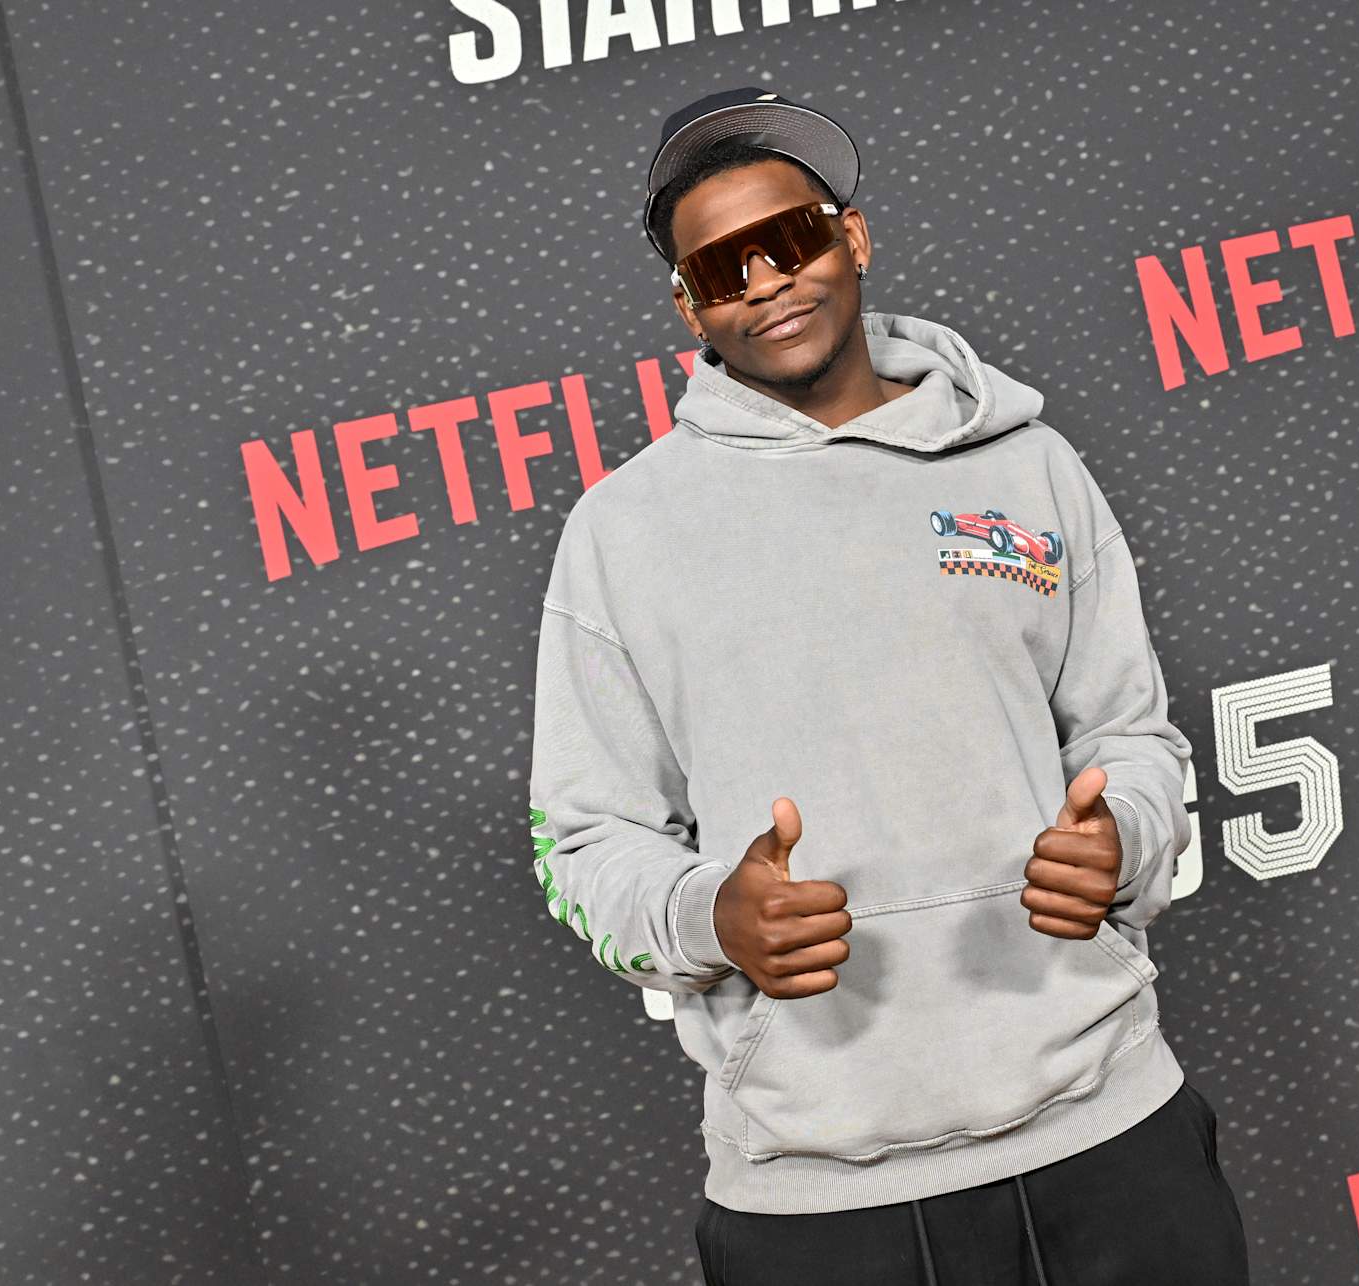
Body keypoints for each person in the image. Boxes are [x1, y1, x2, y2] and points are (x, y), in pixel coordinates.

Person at [526, 87, 1250, 1286]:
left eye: (791, 238)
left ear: (851, 235)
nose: (765, 280)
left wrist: (1122, 833)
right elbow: (582, 842)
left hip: (1111, 1137)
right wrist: (715, 916)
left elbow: (1132, 733)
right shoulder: (621, 535)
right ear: (688, 308)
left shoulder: (1029, 465)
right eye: (721, 267)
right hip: (817, 1203)